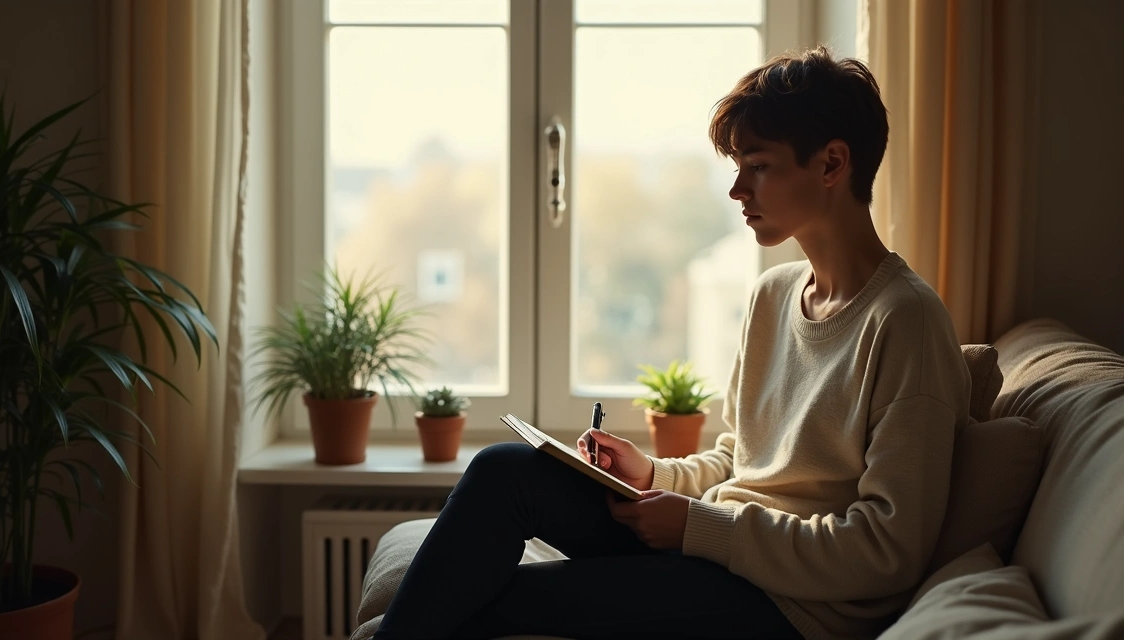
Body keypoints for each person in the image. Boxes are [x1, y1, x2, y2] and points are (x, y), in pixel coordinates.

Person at [371, 46, 970, 640]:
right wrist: (651, 473)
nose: (738, 189)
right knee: (504, 469)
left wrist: (700, 529)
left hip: (793, 605)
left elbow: (888, 550)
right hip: (719, 549)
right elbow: (740, 463)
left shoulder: (906, 322)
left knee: (486, 600)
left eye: (758, 165)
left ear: (832, 163)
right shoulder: (775, 294)